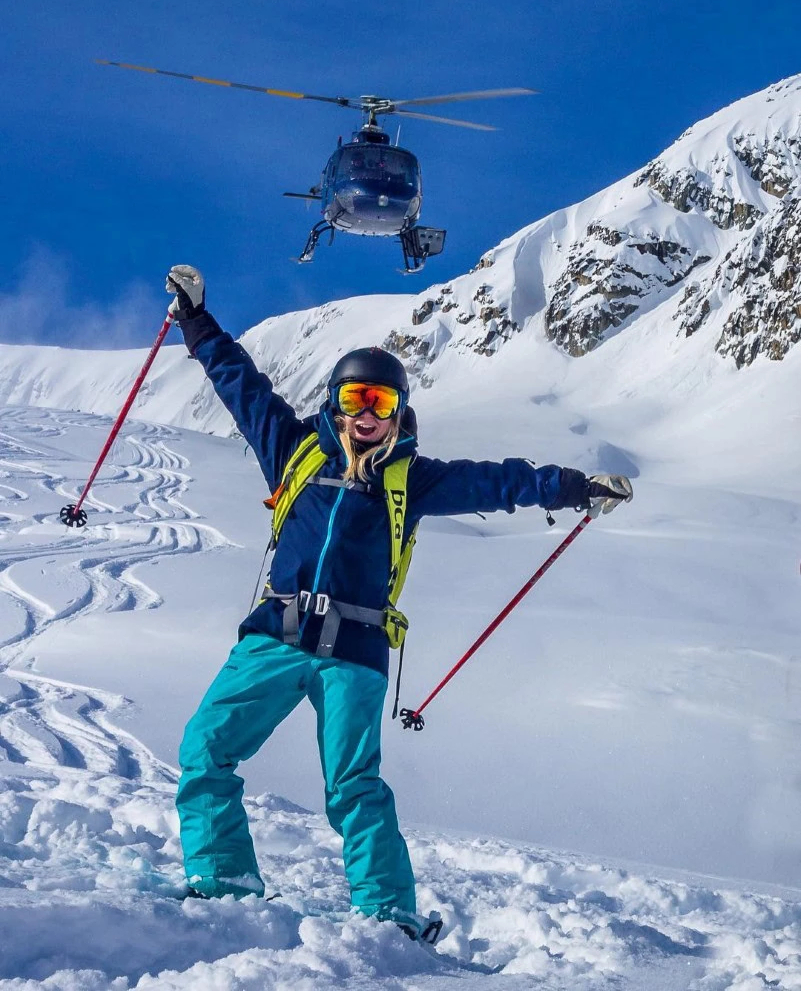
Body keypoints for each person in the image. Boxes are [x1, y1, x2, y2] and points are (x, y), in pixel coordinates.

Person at [166, 265, 633, 942]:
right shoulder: (291, 449)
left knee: (353, 787)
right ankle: (223, 883)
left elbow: (495, 482)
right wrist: (196, 318)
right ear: (334, 401)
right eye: (355, 397)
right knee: (204, 750)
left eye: (380, 404)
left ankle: (388, 917)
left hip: (353, 651)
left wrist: (572, 487)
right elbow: (239, 383)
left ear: (397, 413)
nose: (365, 414)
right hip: (274, 634)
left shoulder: (412, 479)